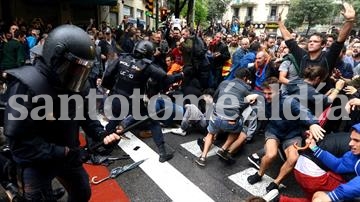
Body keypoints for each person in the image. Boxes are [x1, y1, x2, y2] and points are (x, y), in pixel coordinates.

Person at [4, 25, 121, 201]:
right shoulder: (26, 86)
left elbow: (85, 116)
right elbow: (20, 145)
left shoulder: (76, 85)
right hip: (37, 163)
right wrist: (64, 152)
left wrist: (101, 134)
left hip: (68, 156)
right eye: (73, 69)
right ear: (56, 59)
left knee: (82, 193)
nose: (78, 76)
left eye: (82, 71)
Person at [102, 40, 183, 163]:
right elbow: (166, 79)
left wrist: (112, 90)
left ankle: (103, 147)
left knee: (114, 121)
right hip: (133, 102)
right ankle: (163, 152)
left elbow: (107, 74)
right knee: (153, 121)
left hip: (116, 98)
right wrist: (180, 75)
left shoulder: (122, 58)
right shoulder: (147, 66)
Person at [247, 78, 326, 194]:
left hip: (292, 134)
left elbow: (304, 111)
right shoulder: (263, 98)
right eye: (265, 93)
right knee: (270, 154)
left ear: (278, 91)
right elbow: (255, 94)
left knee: (293, 158)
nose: (267, 96)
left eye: (270, 94)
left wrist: (313, 123)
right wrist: (253, 94)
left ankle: (276, 182)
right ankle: (259, 174)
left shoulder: (289, 101)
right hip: (274, 130)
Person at [195, 68, 259, 167]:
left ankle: (203, 157)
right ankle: (223, 149)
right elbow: (248, 102)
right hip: (231, 122)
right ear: (245, 78)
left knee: (210, 134)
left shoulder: (224, 83)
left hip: (215, 117)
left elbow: (215, 98)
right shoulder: (246, 88)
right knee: (237, 130)